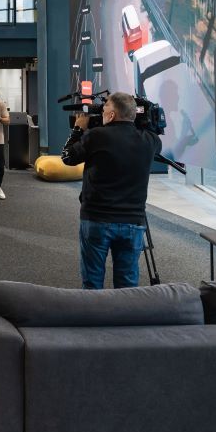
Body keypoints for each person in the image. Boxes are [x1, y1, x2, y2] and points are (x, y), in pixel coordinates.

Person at [61, 91, 161, 289]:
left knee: (92, 282)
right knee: (127, 285)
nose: (101, 112)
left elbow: (67, 157)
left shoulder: (96, 136)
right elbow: (150, 132)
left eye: (104, 107)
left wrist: (78, 129)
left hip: (97, 219)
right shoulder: (151, 140)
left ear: (112, 114)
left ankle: (94, 310)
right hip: (133, 221)